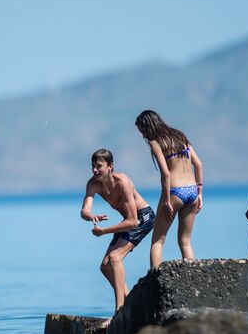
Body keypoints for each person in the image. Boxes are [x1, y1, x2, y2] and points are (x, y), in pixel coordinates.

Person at [81, 149, 154, 322]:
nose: (95, 170)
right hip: (128, 220)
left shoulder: (123, 182)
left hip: (142, 217)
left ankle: (119, 312)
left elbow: (133, 222)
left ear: (110, 166)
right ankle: (130, 303)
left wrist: (104, 231)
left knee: (115, 257)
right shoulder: (93, 184)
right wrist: (91, 216)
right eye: (93, 166)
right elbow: (84, 211)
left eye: (99, 166)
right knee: (105, 266)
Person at [135, 110, 203, 268]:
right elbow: (198, 164)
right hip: (192, 191)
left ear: (149, 126)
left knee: (157, 241)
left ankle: (155, 282)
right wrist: (199, 194)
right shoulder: (180, 136)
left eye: (143, 131)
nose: (143, 135)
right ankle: (192, 277)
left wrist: (166, 201)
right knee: (185, 241)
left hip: (174, 192)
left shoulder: (156, 142)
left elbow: (166, 174)